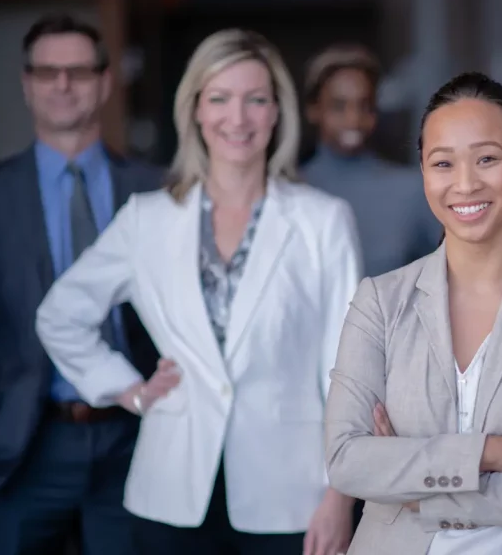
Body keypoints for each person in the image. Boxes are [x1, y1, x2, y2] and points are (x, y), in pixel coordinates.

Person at [34, 28, 360, 555]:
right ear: (196, 111)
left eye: (256, 100)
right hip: (169, 494)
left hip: (291, 498)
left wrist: (339, 495)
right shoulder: (147, 219)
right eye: (220, 98)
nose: (238, 118)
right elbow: (60, 315)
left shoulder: (324, 221)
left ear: (277, 113)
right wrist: (127, 389)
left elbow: (347, 368)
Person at [323, 72, 502, 555]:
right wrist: (493, 452)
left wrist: (418, 489)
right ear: (424, 175)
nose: (465, 183)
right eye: (443, 163)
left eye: (487, 159)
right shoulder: (379, 301)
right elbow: (345, 459)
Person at [0, 14, 161, 555]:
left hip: (134, 439)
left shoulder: (155, 188)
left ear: (105, 83)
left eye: (79, 71)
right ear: (27, 84)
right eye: (47, 72)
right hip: (22, 444)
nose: (63, 84)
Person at [302, 43, 440, 277]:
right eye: (339, 106)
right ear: (313, 110)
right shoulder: (289, 191)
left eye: (364, 106)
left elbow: (453, 275)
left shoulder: (412, 191)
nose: (353, 119)